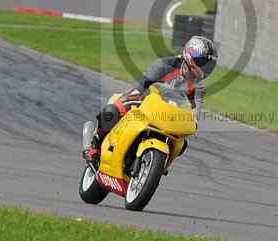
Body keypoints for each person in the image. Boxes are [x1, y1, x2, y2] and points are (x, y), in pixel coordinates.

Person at [83, 36, 217, 163]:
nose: (205, 68)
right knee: (112, 111)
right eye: (203, 63)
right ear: (191, 54)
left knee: (182, 144)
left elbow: (194, 114)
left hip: (167, 115)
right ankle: (95, 145)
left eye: (209, 66)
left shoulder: (199, 87)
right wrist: (135, 95)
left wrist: (192, 123)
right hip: (144, 102)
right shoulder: (165, 64)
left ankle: (158, 164)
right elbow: (141, 84)